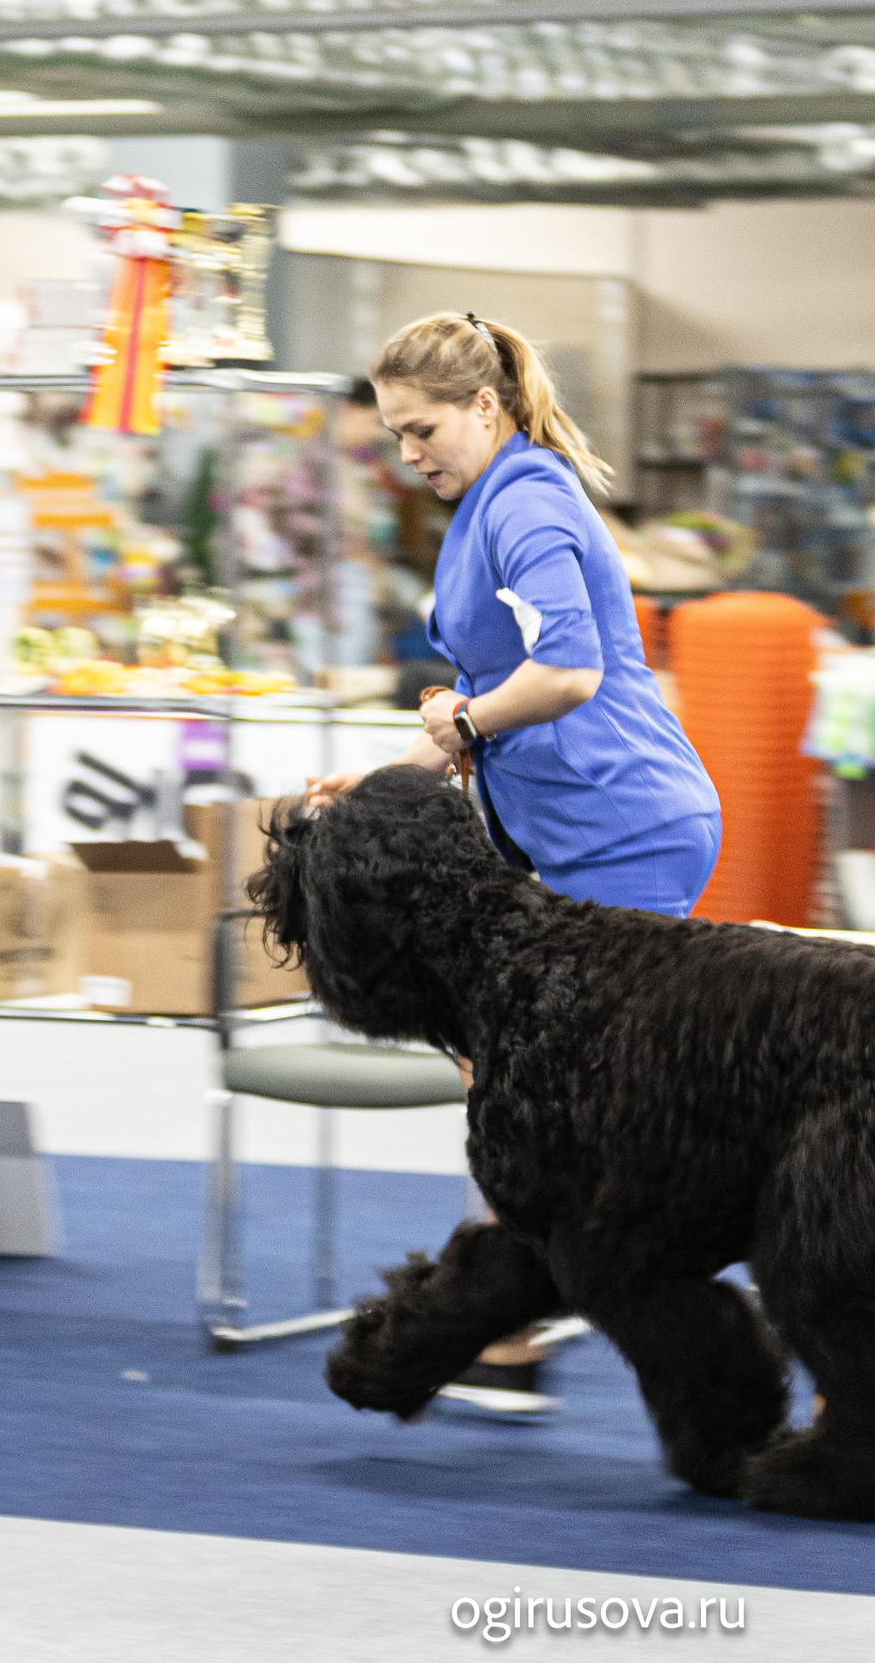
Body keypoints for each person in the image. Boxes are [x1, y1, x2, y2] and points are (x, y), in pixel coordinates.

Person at [305, 310, 720, 1413]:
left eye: (425, 428)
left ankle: (518, 1324)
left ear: (483, 407)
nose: (410, 455)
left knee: (553, 1106)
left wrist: (458, 732)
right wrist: (388, 778)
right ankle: (513, 1322)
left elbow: (568, 674)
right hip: (564, 830)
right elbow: (478, 701)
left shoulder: (528, 504)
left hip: (622, 829)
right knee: (515, 1093)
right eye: (394, 437)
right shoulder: (493, 499)